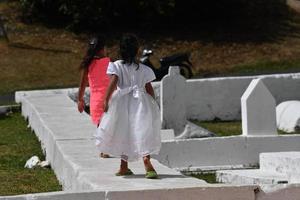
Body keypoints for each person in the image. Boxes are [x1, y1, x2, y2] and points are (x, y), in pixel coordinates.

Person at [95, 34, 161, 179]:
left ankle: (124, 166)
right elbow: (149, 88)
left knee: (124, 131)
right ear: (137, 50)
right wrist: (153, 103)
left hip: (122, 102)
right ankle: (145, 160)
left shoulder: (117, 65)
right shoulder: (143, 69)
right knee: (141, 130)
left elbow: (113, 83)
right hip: (141, 103)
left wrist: (106, 100)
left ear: (121, 50)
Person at [77, 35, 110, 158]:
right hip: (110, 97)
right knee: (110, 123)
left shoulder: (88, 64)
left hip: (96, 100)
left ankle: (103, 148)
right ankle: (108, 147)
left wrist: (80, 100)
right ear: (102, 49)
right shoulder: (109, 61)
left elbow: (82, 84)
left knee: (100, 125)